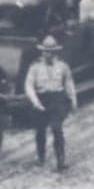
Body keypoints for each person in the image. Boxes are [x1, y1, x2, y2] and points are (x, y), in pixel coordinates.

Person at [23, 36, 77, 171]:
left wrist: (73, 99)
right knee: (40, 130)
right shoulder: (34, 67)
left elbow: (69, 83)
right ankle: (41, 157)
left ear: (56, 52)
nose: (49, 54)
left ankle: (61, 160)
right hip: (41, 98)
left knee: (57, 129)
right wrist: (35, 102)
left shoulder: (63, 66)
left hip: (57, 99)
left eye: (52, 51)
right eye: (46, 51)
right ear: (42, 51)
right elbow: (28, 85)